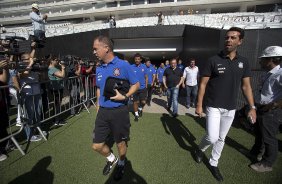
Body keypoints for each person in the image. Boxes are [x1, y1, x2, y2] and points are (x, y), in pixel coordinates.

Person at [194, 27, 257, 182]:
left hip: (231, 108)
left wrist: (252, 107)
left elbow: (246, 86)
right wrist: (199, 105)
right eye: (227, 37)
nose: (228, 40)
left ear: (240, 41)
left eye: (233, 38)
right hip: (213, 105)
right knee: (212, 136)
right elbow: (202, 85)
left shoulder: (243, 62)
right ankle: (200, 150)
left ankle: (214, 163)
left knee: (221, 138)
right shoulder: (213, 60)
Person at [92, 35, 139, 181]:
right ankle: (112, 159)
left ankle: (121, 162)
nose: (93, 52)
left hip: (119, 111)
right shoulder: (99, 68)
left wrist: (125, 97)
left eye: (95, 48)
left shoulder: (124, 65)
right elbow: (99, 88)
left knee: (120, 143)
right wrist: (98, 105)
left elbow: (136, 84)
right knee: (97, 146)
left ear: (106, 48)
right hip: (103, 112)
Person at [249, 46, 282, 172]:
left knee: (268, 138)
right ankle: (255, 152)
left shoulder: (280, 74)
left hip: (271, 111)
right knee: (259, 134)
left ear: (271, 60)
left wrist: (274, 105)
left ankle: (267, 163)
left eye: (263, 59)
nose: (260, 61)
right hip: (260, 108)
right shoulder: (268, 73)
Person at [48, 55, 66, 126]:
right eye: (56, 60)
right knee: (57, 105)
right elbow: (62, 75)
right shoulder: (51, 69)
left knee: (57, 104)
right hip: (56, 89)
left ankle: (57, 119)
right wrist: (63, 68)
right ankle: (56, 121)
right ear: (51, 61)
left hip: (58, 88)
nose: (57, 61)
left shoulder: (54, 68)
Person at [131, 53, 148, 121]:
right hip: (135, 88)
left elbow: (146, 77)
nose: (137, 60)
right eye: (136, 59)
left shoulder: (144, 67)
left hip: (143, 88)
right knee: (135, 102)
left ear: (140, 60)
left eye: (138, 59)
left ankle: (140, 108)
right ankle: (136, 115)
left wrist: (146, 86)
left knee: (143, 102)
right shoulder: (131, 67)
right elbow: (130, 77)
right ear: (134, 60)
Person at [0, 58, 9, 161]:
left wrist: (5, 68)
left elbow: (4, 80)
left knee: (2, 125)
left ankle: (4, 146)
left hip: (1, 103)